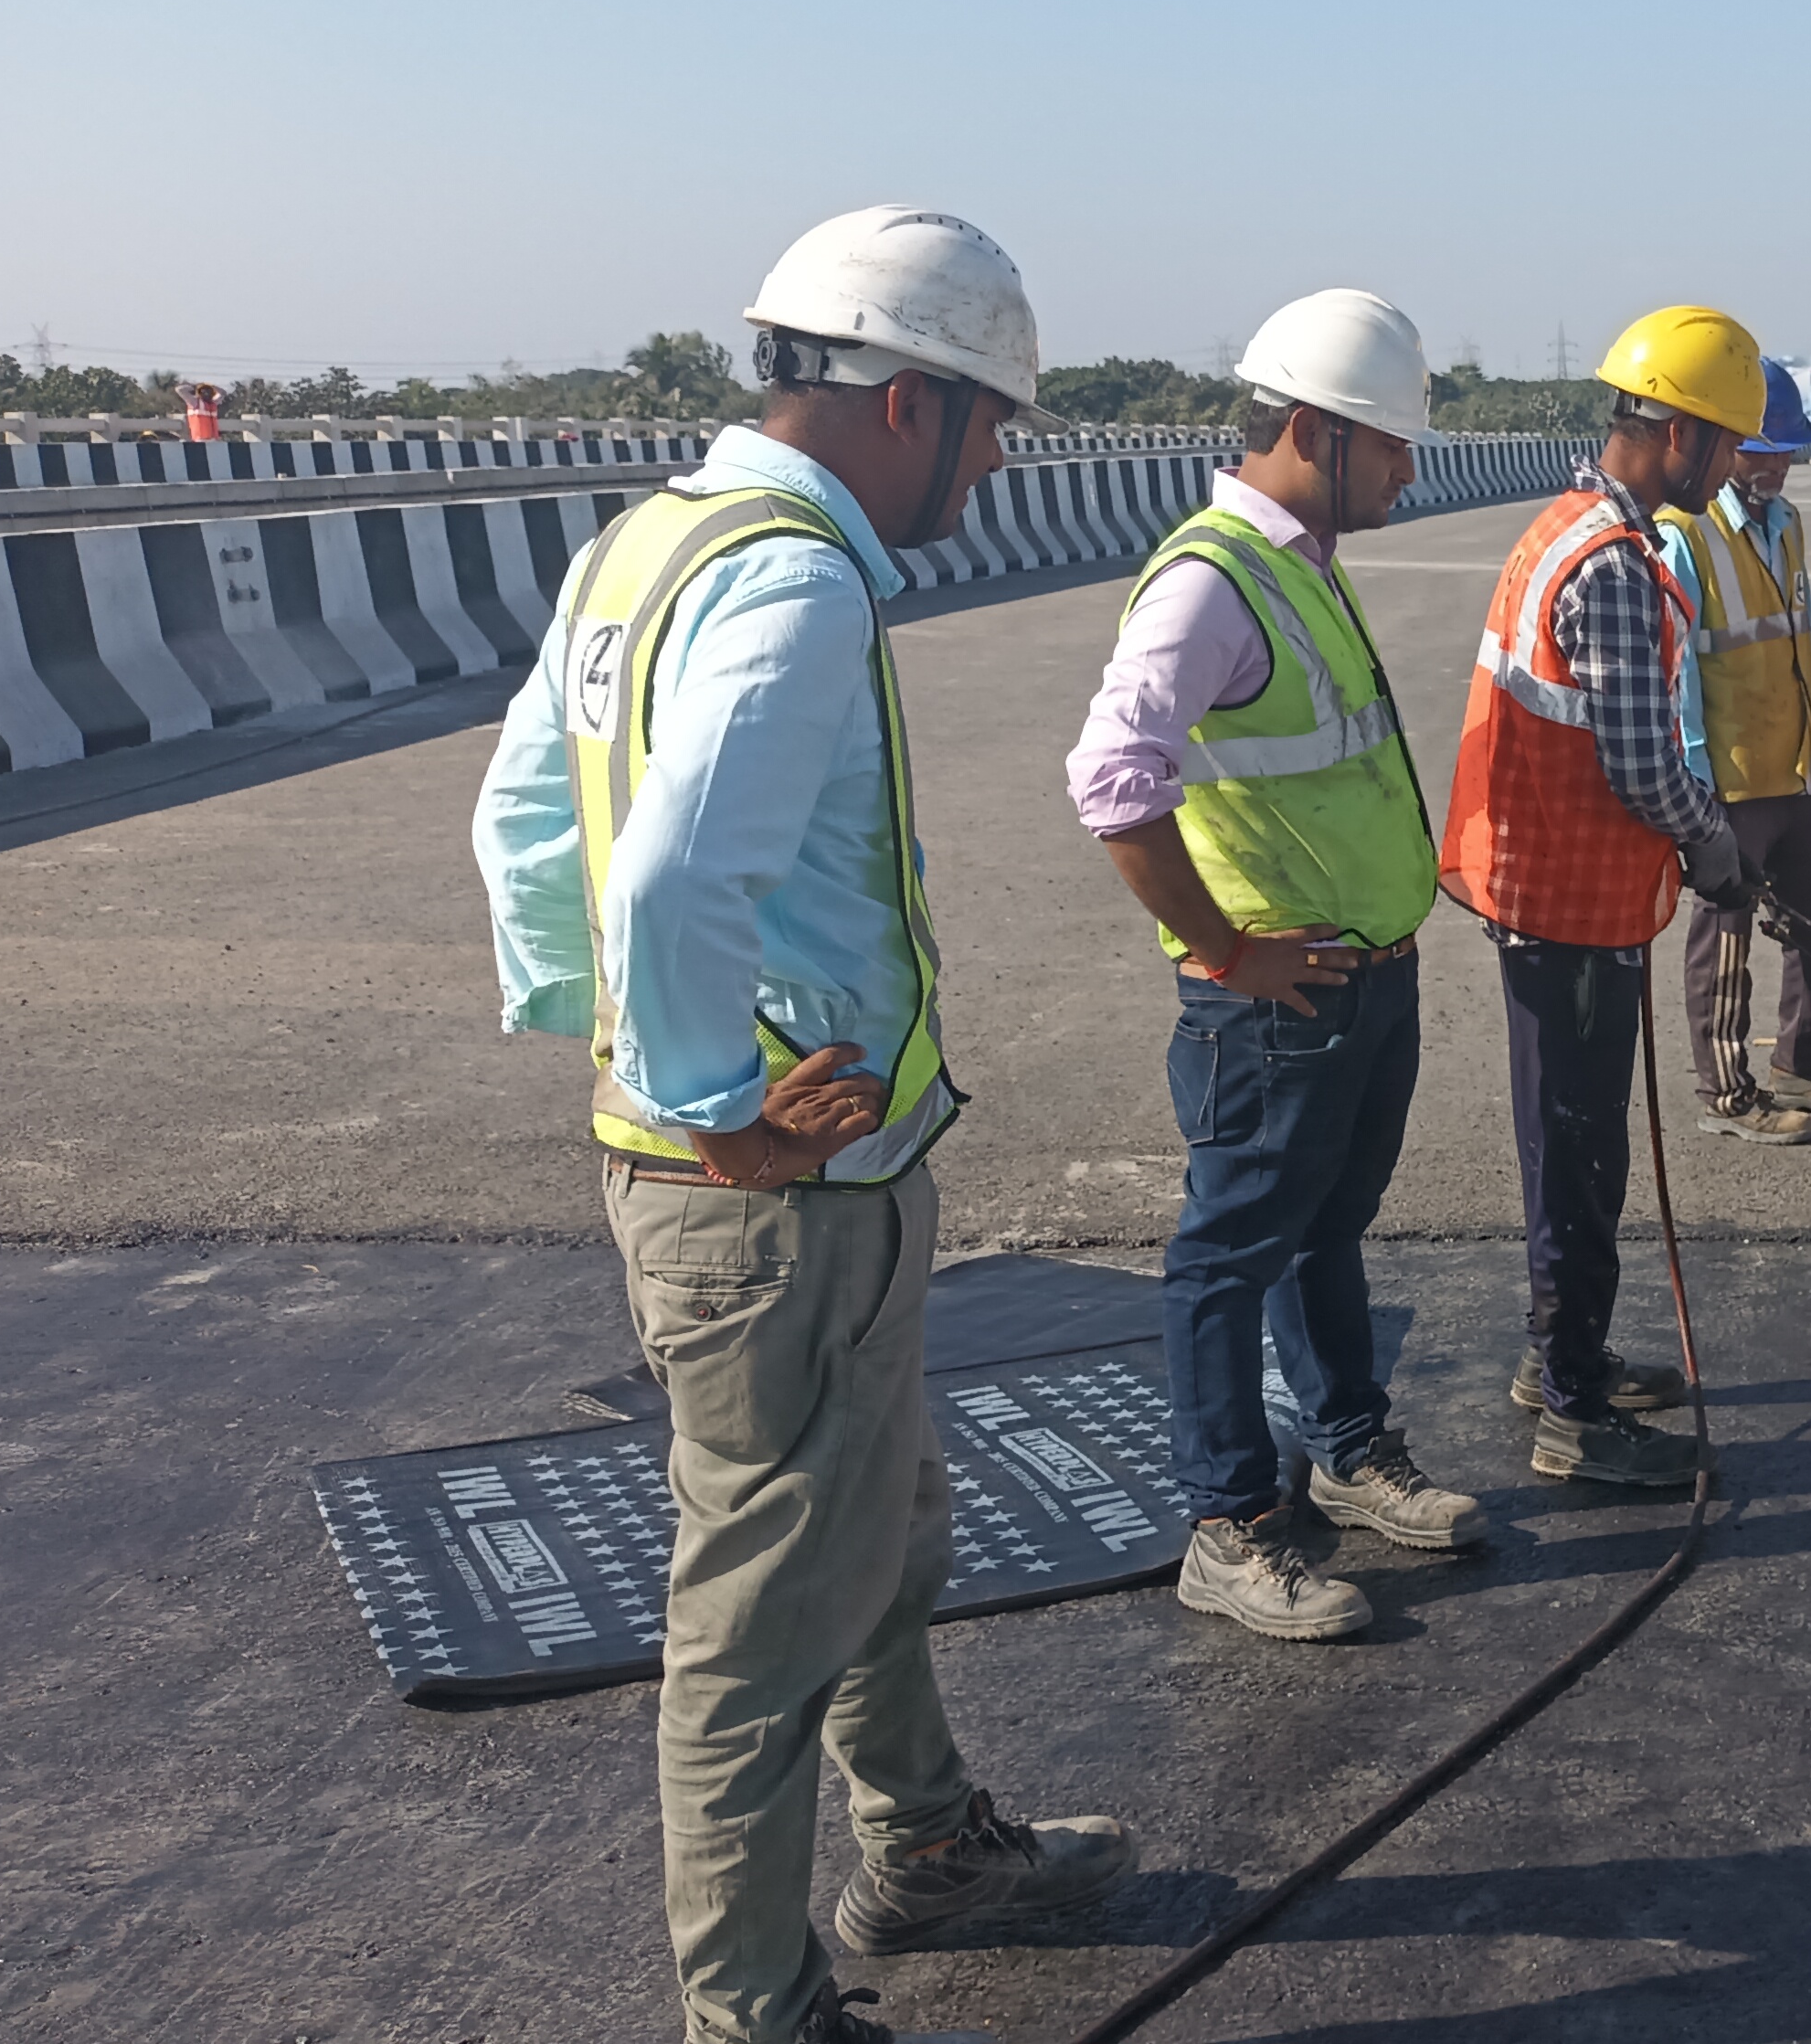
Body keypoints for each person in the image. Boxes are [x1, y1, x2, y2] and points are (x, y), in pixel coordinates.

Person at [471, 207, 1128, 2044]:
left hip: (778, 1175)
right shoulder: (797, 578)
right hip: (779, 1199)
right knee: (759, 1620)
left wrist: (602, 1046)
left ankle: (923, 1845)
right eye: (989, 421)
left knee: (869, 1533)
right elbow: (674, 863)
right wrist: (709, 1108)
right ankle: (754, 2012)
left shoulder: (644, 546)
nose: (995, 461)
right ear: (903, 401)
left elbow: (524, 822)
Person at [1065, 288, 1484, 1647]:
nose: (1410, 468)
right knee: (1228, 1250)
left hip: (1364, 976)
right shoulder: (1210, 580)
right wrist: (1221, 947)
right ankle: (1229, 1520)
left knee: (1326, 1228)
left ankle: (1349, 1451)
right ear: (1312, 430)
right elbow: (1113, 778)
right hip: (1276, 1000)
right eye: (1391, 443)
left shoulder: (1299, 558)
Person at [1439, 304, 1761, 1487]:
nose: (1728, 469)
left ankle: (1553, 1355)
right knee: (1582, 1158)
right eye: (1723, 445)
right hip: (1573, 909)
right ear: (1676, 434)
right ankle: (1573, 1410)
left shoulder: (1561, 526)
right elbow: (1641, 766)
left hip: (1545, 892)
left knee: (1559, 1145)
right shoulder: (1615, 570)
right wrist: (1717, 851)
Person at [1658, 356, 1811, 1147]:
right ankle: (1726, 1090)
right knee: (1727, 941)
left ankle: (1798, 1064)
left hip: (1797, 769)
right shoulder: (1687, 538)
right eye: (1759, 450)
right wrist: (1696, 790)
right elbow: (1677, 677)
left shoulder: (1787, 527)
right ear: (1724, 448)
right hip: (1730, 784)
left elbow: (1800, 643)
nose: (1775, 465)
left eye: (1786, 450)